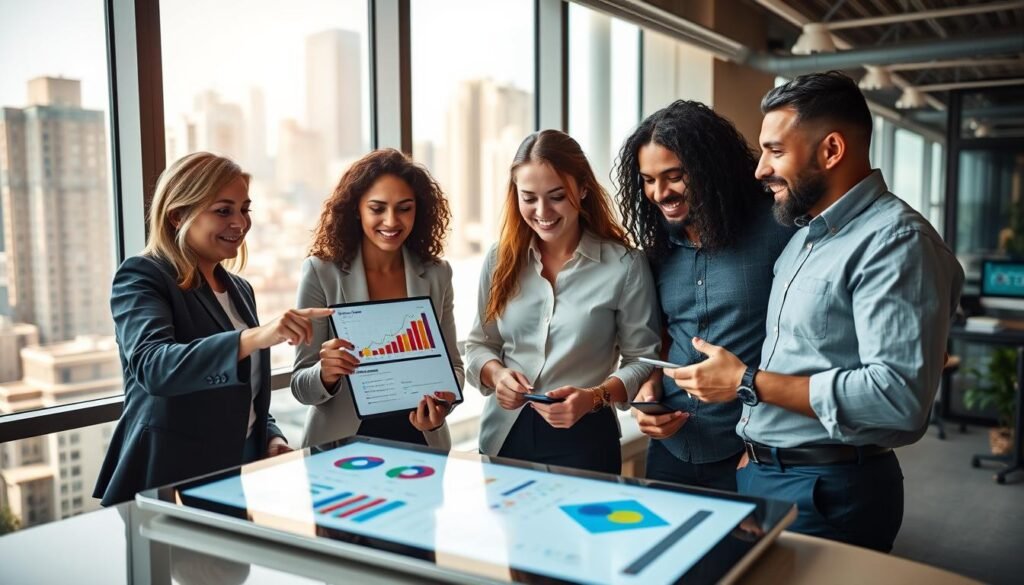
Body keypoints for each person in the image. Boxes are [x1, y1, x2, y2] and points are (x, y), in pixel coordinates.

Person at [662, 72, 964, 552]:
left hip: (828, 489)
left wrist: (746, 383)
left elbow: (899, 400)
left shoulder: (897, 242)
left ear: (831, 151)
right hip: (766, 473)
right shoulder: (804, 235)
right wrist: (756, 450)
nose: (760, 169)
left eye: (775, 151)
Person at [94, 152, 333, 506]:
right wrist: (257, 336)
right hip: (168, 481)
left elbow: (243, 392)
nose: (239, 222)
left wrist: (269, 437)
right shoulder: (143, 276)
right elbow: (154, 367)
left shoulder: (239, 289)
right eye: (223, 210)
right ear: (177, 215)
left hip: (235, 480)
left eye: (244, 209)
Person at [615, 100, 794, 491]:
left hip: (752, 452)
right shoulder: (657, 250)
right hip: (670, 446)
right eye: (648, 179)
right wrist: (649, 389)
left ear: (711, 169)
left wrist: (768, 441)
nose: (659, 193)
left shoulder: (779, 230)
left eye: (674, 176)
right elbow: (658, 335)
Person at [465, 129, 660, 474]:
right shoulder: (500, 258)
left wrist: (595, 396)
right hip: (504, 436)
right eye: (529, 197)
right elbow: (481, 344)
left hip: (585, 439)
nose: (542, 211)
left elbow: (642, 359)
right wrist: (497, 376)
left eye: (556, 196)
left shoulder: (625, 266)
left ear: (582, 188)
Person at [291, 149, 461, 448]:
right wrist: (326, 373)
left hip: (420, 439)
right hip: (341, 445)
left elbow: (454, 368)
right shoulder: (321, 273)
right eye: (377, 208)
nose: (391, 221)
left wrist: (443, 406)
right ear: (357, 209)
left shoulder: (437, 274)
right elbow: (301, 386)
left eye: (404, 208)